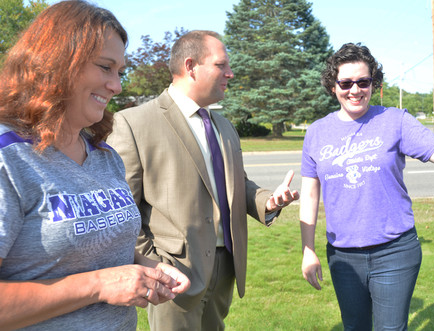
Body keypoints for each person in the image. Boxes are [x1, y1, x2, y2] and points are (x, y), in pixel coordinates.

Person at [0, 1, 190, 330]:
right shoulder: (9, 159)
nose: (116, 86)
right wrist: (99, 285)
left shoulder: (104, 155)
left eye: (119, 72)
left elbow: (95, 251)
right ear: (56, 63)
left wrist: (148, 270)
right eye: (105, 67)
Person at [107, 30, 300, 330]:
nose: (230, 73)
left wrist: (267, 201)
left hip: (224, 268)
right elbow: (123, 209)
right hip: (174, 273)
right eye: (221, 65)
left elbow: (236, 182)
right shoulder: (134, 123)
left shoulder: (223, 125)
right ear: (190, 66)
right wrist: (152, 263)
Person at [299, 42, 434, 331]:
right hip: (343, 255)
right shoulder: (317, 132)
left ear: (374, 83)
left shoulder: (396, 121)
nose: (355, 90)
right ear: (333, 86)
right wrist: (307, 248)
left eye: (363, 81)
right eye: (346, 82)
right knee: (354, 327)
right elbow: (309, 194)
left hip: (395, 252)